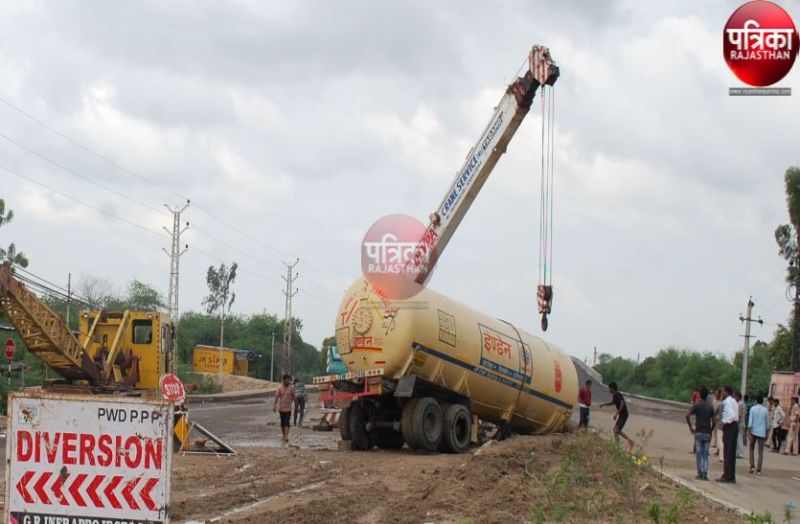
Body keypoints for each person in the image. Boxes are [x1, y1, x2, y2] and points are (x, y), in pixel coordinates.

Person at [685, 385, 715, 480]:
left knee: (698, 453)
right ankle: (705, 473)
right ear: (707, 396)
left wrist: (691, 427)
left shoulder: (697, 405)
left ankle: (699, 473)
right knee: (705, 454)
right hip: (707, 433)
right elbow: (714, 421)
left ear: (700, 395)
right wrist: (711, 429)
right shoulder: (710, 407)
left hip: (698, 432)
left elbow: (687, 415)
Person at [599, 382, 635, 449]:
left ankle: (631, 442)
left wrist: (616, 413)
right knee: (614, 430)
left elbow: (622, 404)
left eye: (609, 388)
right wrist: (604, 404)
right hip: (621, 415)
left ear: (612, 388)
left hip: (624, 415)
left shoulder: (618, 395)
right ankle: (617, 445)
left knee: (617, 430)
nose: (608, 390)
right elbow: (612, 402)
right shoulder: (615, 395)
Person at [717, 385, 739, 483]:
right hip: (734, 426)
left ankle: (727, 475)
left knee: (727, 452)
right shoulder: (734, 401)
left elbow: (732, 415)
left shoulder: (727, 402)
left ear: (726, 392)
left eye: (723, 392)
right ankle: (731, 475)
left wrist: (724, 421)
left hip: (729, 426)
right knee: (731, 453)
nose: (722, 393)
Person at [748, 394, 770, 475]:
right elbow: (767, 424)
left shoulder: (752, 409)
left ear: (756, 401)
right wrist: (767, 434)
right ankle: (759, 469)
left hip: (753, 432)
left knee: (751, 449)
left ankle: (752, 466)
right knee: (760, 451)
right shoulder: (765, 410)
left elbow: (750, 422)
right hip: (762, 432)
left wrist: (749, 433)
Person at [273, 374, 296, 445]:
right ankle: (284, 435)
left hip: (288, 409)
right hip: (281, 409)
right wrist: (274, 405)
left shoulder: (292, 388)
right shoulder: (280, 388)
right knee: (282, 424)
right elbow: (276, 397)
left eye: (289, 380)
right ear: (284, 380)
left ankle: (286, 436)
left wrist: (296, 405)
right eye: (287, 380)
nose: (289, 381)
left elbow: (294, 397)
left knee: (287, 423)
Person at [735, 392, 745, 459]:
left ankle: (740, 453)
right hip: (741, 423)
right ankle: (738, 452)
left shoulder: (740, 404)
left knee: (739, 438)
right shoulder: (742, 404)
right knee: (739, 438)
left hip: (739, 423)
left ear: (738, 397)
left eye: (735, 397)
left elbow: (739, 415)